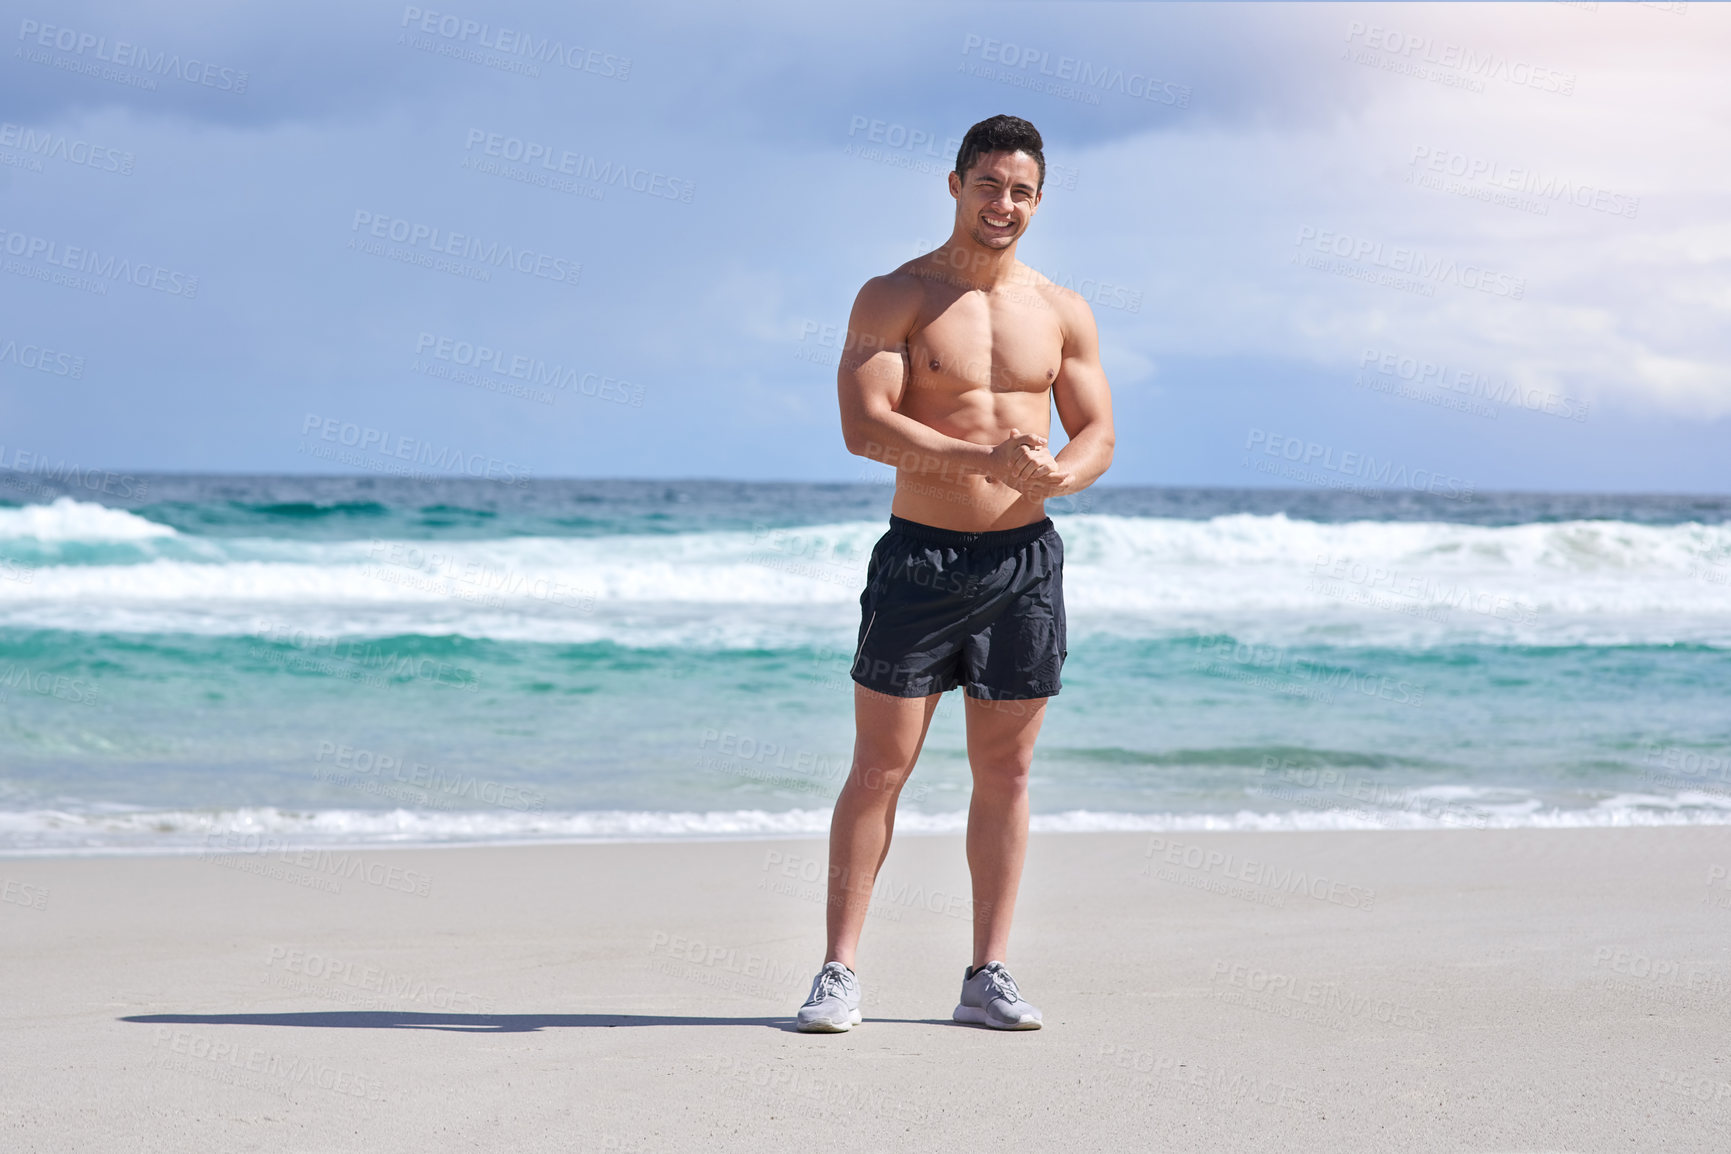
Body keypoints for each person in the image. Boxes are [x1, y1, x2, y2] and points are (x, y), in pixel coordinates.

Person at [796, 114, 1115, 1032]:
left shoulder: (1061, 310)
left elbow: (1096, 433)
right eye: (988, 185)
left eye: (1020, 191)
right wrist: (981, 462)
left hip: (1022, 564)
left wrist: (1059, 473)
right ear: (954, 185)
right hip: (920, 558)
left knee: (1006, 776)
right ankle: (838, 972)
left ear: (1038, 200)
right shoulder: (895, 294)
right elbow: (864, 426)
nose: (1003, 204)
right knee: (878, 770)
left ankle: (987, 973)